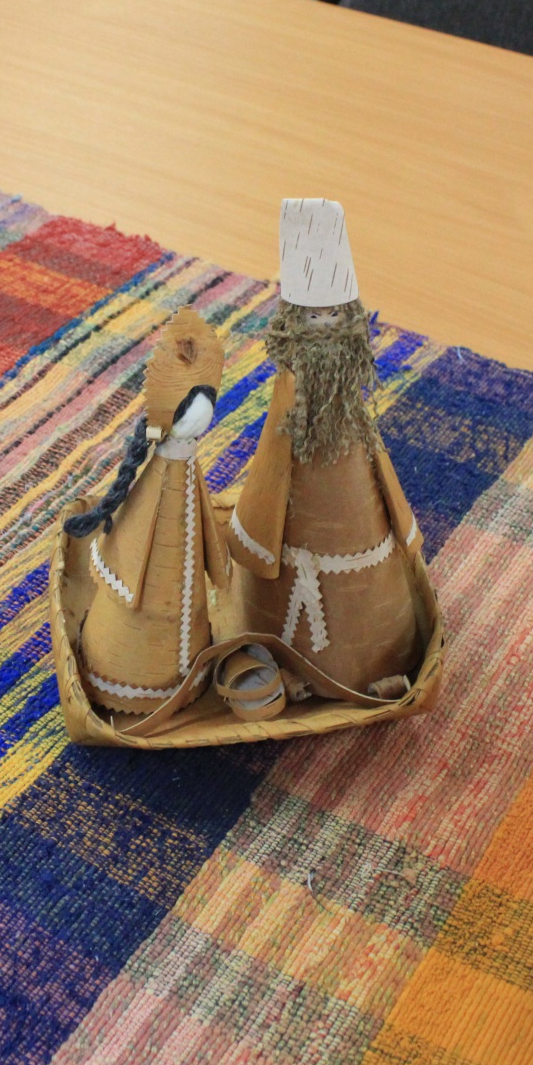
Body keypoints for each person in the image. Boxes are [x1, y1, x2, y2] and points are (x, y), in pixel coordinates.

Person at [225, 199, 424, 706]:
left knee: (364, 592)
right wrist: (256, 537)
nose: (323, 325)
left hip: (363, 560)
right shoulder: (289, 395)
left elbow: (378, 464)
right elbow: (271, 468)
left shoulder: (351, 405)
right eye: (312, 316)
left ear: (350, 318)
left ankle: (376, 665)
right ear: (293, 321)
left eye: (333, 314)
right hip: (287, 589)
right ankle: (285, 668)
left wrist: (401, 527)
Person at [66, 308, 230, 717]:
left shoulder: (186, 470)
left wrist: (220, 565)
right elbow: (132, 548)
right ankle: (134, 680)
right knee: (141, 595)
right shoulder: (159, 478)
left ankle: (185, 678)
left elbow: (205, 528)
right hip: (121, 660)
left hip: (190, 645)